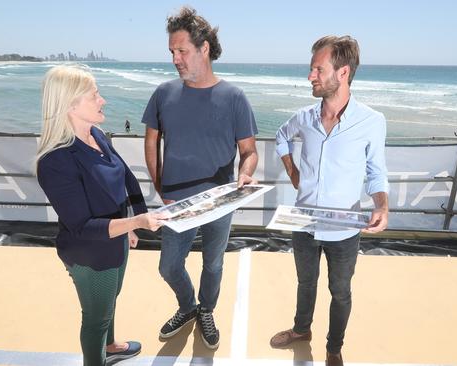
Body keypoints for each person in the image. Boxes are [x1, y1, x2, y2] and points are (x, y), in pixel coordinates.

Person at [142, 6, 258, 350]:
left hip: (220, 200)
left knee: (214, 262)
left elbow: (249, 152)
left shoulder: (234, 97)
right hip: (177, 202)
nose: (176, 59)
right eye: (172, 52)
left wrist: (246, 175)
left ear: (204, 48)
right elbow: (151, 140)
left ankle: (206, 309)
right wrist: (161, 187)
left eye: (182, 51)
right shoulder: (164, 93)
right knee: (168, 266)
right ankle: (187, 305)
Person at [269, 36, 389, 366]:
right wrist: (293, 172)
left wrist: (381, 205)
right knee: (306, 282)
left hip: (345, 228)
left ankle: (334, 348)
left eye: (318, 69)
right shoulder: (304, 118)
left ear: (343, 72)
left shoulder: (372, 121)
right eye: (311, 69)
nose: (311, 76)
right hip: (304, 221)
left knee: (341, 292)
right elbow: (281, 137)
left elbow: (376, 172)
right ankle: (300, 330)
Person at [35, 65, 164, 366]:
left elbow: (127, 179)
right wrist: (136, 223)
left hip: (115, 239)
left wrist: (134, 222)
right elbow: (82, 227)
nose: (102, 100)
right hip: (90, 254)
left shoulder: (97, 134)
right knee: (96, 318)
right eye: (95, 95)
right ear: (71, 105)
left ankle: (113, 346)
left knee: (110, 300)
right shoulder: (55, 161)